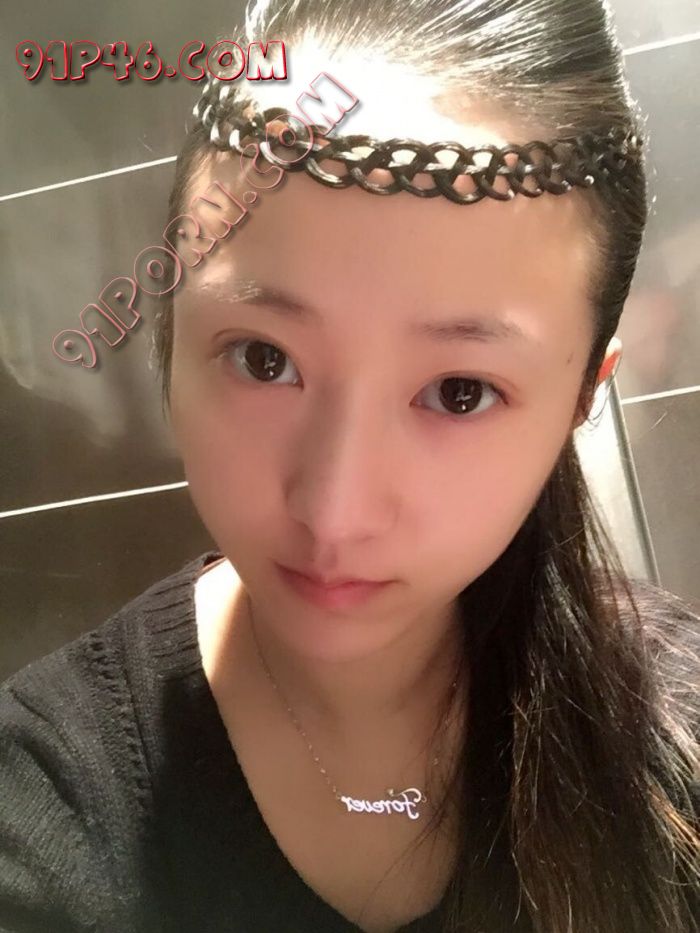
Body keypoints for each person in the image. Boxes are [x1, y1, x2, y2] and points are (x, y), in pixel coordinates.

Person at [2, 1, 698, 931]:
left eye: (459, 391)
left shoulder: (679, 725)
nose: (333, 511)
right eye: (263, 358)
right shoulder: (45, 796)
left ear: (580, 398)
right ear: (172, 334)